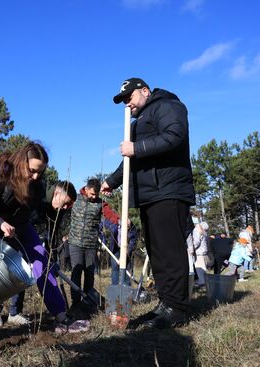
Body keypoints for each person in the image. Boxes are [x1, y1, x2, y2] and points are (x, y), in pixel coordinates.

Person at [0, 142, 89, 341]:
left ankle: (61, 317)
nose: (36, 177)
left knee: (42, 263)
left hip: (16, 225)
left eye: (41, 172)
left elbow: (25, 218)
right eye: (32, 171)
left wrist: (17, 240)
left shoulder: (36, 188)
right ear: (22, 161)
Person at [101, 77, 195, 329]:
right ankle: (166, 303)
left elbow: (174, 135)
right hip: (149, 195)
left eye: (128, 97)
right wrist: (111, 181)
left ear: (145, 91)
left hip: (168, 189)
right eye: (122, 100)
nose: (126, 104)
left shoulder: (167, 106)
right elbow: (131, 161)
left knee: (169, 250)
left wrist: (137, 147)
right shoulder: (137, 122)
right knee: (156, 251)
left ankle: (177, 308)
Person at [0, 180, 78, 327]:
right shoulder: (38, 195)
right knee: (5, 272)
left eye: (68, 205)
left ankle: (14, 313)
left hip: (31, 238)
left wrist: (52, 257)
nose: (65, 207)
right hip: (11, 231)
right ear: (56, 193)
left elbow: (53, 233)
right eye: (65, 203)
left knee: (26, 275)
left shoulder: (59, 210)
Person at [67, 179, 116, 310]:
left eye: (97, 195)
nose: (94, 197)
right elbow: (63, 207)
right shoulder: (75, 199)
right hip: (75, 243)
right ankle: (75, 303)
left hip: (91, 244)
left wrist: (120, 220)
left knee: (89, 273)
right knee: (76, 272)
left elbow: (110, 215)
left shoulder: (100, 203)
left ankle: (88, 302)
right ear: (86, 189)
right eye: (92, 194)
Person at [187, 221, 210, 287]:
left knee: (199, 268)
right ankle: (205, 282)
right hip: (204, 252)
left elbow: (196, 241)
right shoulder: (204, 233)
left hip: (199, 252)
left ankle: (201, 282)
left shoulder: (197, 230)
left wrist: (191, 248)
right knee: (203, 268)